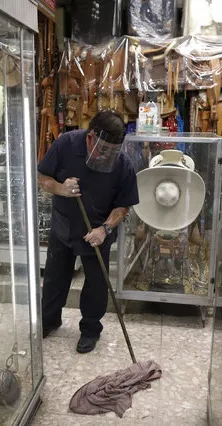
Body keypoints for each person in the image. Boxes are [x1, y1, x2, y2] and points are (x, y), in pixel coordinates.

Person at [37, 111, 139, 353]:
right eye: (103, 149)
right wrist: (61, 188)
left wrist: (105, 229)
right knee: (54, 279)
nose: (108, 156)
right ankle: (49, 320)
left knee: (96, 284)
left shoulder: (122, 165)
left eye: (113, 151)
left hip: (97, 232)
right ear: (90, 137)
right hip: (64, 225)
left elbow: (123, 206)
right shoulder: (66, 144)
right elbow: (42, 178)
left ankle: (91, 330)